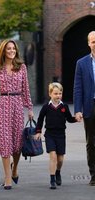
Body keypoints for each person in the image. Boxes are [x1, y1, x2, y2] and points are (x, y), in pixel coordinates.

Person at [0, 39, 34, 190]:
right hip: (4, 105)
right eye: (8, 49)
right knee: (5, 141)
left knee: (18, 143)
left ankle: (15, 169)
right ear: (3, 51)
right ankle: (7, 177)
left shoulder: (22, 67)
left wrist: (30, 108)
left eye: (13, 48)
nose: (11, 51)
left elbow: (26, 89)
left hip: (18, 104)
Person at [35, 82, 77, 189]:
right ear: (50, 94)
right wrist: (38, 131)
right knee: (53, 156)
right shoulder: (46, 107)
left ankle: (58, 171)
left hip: (61, 135)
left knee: (60, 159)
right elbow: (40, 119)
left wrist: (76, 119)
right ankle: (52, 179)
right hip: (50, 134)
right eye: (55, 93)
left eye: (60, 93)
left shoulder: (64, 106)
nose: (58, 96)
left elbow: (69, 119)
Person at [73, 31, 95, 186]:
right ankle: (94, 175)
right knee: (91, 142)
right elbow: (78, 88)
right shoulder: (81, 63)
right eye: (93, 41)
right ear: (88, 44)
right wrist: (78, 110)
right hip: (89, 106)